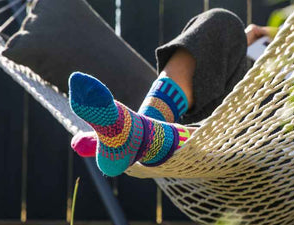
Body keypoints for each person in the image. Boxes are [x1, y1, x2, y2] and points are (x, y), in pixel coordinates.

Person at [69, 9, 274, 177]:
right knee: (223, 23)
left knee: (265, 116)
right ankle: (140, 133)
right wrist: (275, 36)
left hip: (273, 138)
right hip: (238, 108)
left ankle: (134, 136)